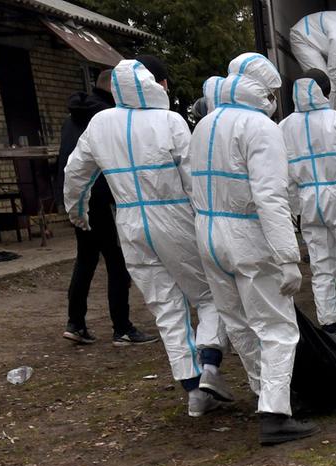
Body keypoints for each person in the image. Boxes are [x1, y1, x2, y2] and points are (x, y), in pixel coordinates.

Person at [64, 58, 232, 418]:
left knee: (164, 304)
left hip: (129, 220)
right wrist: (208, 216)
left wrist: (77, 213)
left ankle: (191, 389)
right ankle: (210, 365)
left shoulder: (99, 124)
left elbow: (76, 173)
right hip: (174, 216)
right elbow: (192, 175)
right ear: (156, 85)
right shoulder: (169, 121)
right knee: (209, 293)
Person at [190, 53, 316, 446]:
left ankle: (265, 395)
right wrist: (288, 256)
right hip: (248, 235)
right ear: (264, 90)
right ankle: (276, 413)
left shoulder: (205, 123)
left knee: (239, 321)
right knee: (277, 326)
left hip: (207, 232)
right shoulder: (259, 127)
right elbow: (271, 197)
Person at [57, 68, 152, 348]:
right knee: (118, 261)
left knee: (85, 259)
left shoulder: (71, 119)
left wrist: (72, 204)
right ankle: (122, 328)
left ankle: (75, 323)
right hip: (106, 198)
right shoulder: (109, 118)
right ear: (115, 88)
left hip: (78, 199)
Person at [281, 77, 336, 323]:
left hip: (307, 199)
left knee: (320, 266)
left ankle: (328, 323)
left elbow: (283, 174)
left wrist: (295, 208)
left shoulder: (283, 126)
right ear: (325, 91)